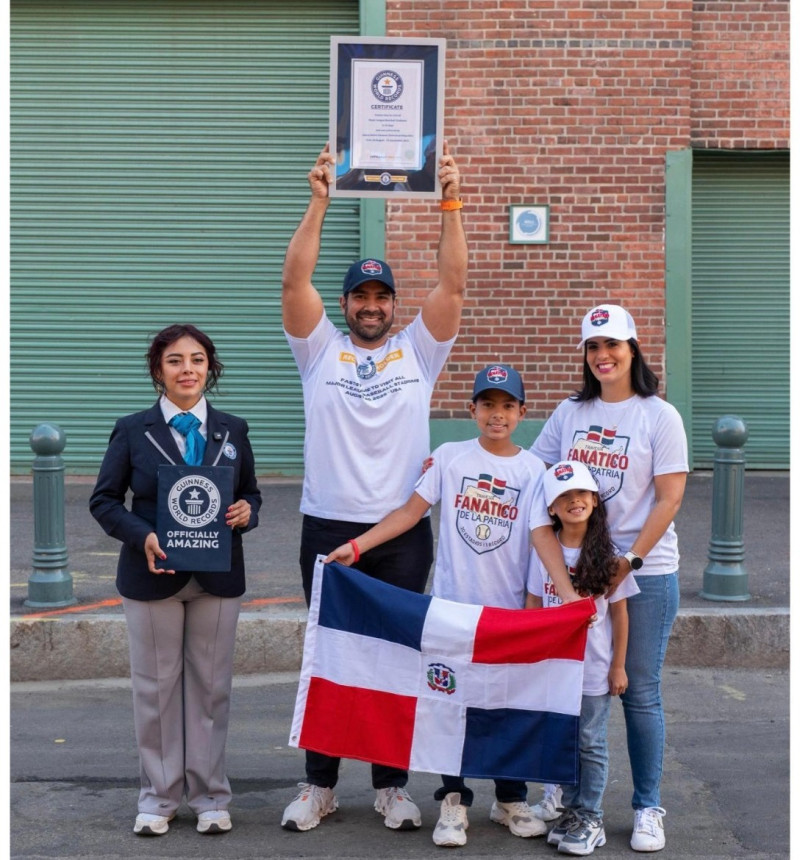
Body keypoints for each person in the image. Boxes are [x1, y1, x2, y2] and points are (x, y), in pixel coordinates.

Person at [280, 141, 468, 833]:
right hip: (327, 525)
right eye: (358, 295)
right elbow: (291, 282)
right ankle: (319, 784)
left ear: (392, 305)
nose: (369, 305)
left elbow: (451, 286)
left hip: (400, 532)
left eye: (379, 296)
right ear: (346, 303)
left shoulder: (418, 351)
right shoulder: (318, 349)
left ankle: (391, 786)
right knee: (329, 653)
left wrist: (450, 200)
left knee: (395, 656)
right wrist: (321, 199)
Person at [325, 364, 581, 848]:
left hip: (506, 614)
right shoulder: (449, 458)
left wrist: (565, 595)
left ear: (523, 413)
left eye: (507, 406)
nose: (497, 414)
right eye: (488, 404)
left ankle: (510, 798)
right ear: (472, 410)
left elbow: (541, 535)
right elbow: (409, 512)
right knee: (449, 706)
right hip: (450, 612)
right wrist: (357, 547)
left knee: (507, 706)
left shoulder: (532, 471)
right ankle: (453, 800)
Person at [89, 324, 261, 837]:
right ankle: (158, 797)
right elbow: (103, 500)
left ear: (210, 368)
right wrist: (141, 535)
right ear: (158, 371)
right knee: (155, 689)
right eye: (174, 361)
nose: (187, 369)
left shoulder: (232, 429)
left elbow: (251, 494)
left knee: (211, 689)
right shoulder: (132, 429)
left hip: (217, 574)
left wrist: (245, 512)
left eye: (198, 359)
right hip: (151, 574)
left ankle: (210, 795)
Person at [529, 304, 689, 852]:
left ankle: (647, 807)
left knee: (638, 691)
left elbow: (669, 497)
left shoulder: (658, 416)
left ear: (633, 348)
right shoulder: (571, 412)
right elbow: (535, 473)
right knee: (572, 692)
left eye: (612, 345)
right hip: (575, 575)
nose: (603, 356)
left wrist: (631, 561)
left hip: (642, 570)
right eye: (593, 347)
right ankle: (567, 794)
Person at [527, 460, 640, 856]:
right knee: (565, 740)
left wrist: (618, 665)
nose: (574, 500)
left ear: (594, 499)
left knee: (590, 741)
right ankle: (572, 811)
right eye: (563, 496)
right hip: (554, 668)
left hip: (592, 669)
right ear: (551, 508)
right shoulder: (542, 550)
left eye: (581, 493)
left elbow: (621, 614)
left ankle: (591, 816)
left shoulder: (610, 556)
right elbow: (534, 603)